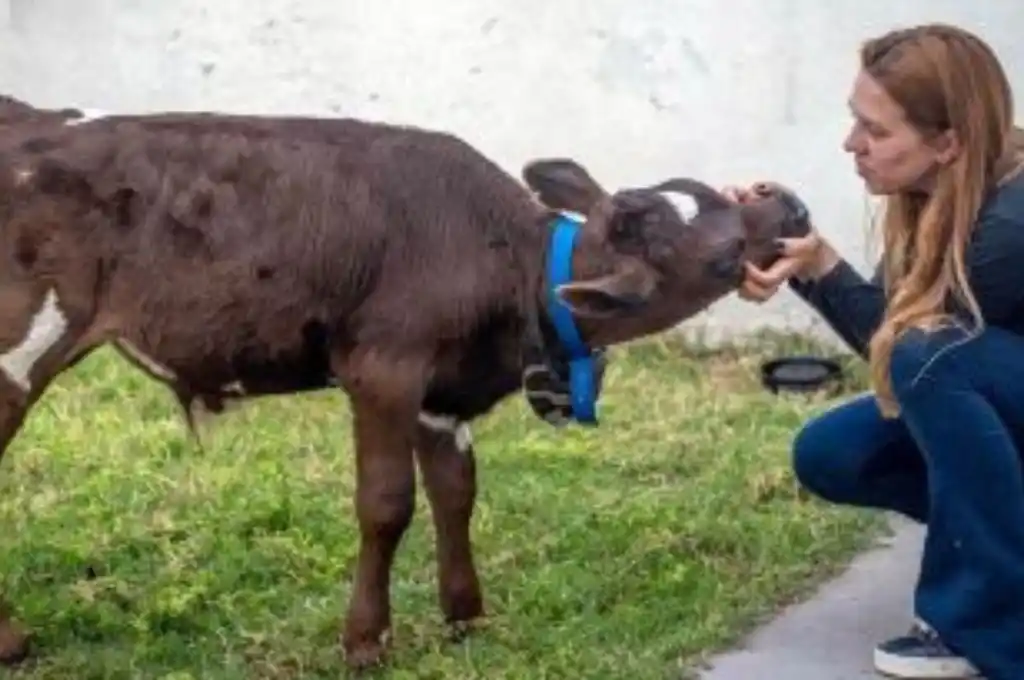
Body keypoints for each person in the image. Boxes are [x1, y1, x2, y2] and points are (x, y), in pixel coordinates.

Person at [724, 23, 1024, 680]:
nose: (851, 144)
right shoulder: (946, 194)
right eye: (855, 121)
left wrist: (821, 270)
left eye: (877, 132)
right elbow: (902, 341)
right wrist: (810, 259)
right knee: (834, 453)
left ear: (948, 141)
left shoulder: (1011, 228)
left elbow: (913, 353)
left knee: (931, 355)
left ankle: (990, 628)